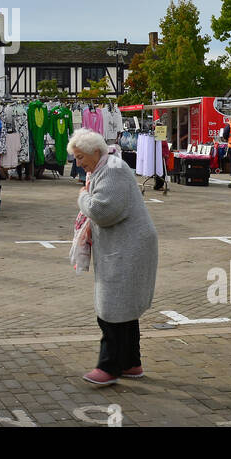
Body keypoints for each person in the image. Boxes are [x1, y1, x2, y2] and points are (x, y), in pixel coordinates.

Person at [67, 128, 158, 387]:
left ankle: (109, 366)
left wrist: (83, 198)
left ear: (96, 152)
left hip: (130, 248)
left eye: (81, 157)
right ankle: (131, 363)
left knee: (112, 308)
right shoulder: (103, 168)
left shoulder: (114, 170)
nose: (78, 163)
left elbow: (102, 210)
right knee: (123, 307)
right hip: (121, 247)